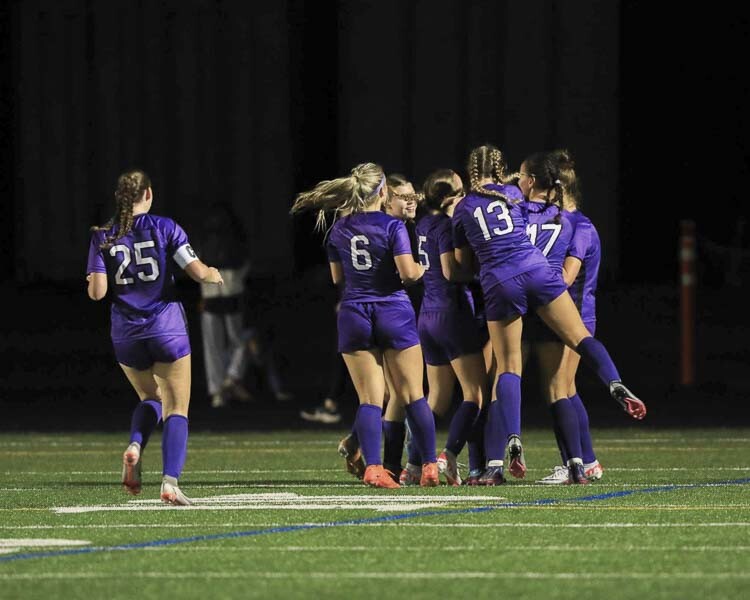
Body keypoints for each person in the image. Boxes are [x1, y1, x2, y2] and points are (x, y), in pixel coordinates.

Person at [452, 145, 646, 485]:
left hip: (501, 283)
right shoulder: (524, 199)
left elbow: (463, 263)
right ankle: (614, 383)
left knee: (508, 368)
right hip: (540, 276)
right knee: (577, 352)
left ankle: (510, 442)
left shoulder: (466, 205)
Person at [290, 162, 438, 489]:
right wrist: (425, 268)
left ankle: (374, 468)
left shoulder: (339, 229)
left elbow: (337, 278)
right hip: (393, 310)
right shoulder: (392, 226)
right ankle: (429, 465)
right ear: (383, 192)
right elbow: (408, 273)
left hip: (354, 311)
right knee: (413, 395)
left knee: (370, 400)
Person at [86, 169, 224, 505]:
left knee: (151, 398)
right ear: (148, 194)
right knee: (177, 408)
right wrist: (213, 274)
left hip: (126, 332)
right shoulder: (165, 227)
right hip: (166, 326)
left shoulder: (103, 235)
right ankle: (170, 482)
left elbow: (97, 293)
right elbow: (196, 272)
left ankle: (135, 444)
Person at [528, 149, 605, 484]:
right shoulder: (560, 221)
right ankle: (587, 461)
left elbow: (567, 277)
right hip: (559, 315)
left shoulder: (579, 225)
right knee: (564, 388)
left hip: (575, 316)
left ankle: (574, 465)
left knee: (559, 387)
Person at [415, 168, 488, 486]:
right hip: (451, 315)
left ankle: (415, 464)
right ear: (451, 196)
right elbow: (450, 272)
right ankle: (448, 454)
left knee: (437, 399)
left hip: (427, 316)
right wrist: (480, 274)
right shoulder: (446, 225)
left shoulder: (423, 223)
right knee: (476, 394)